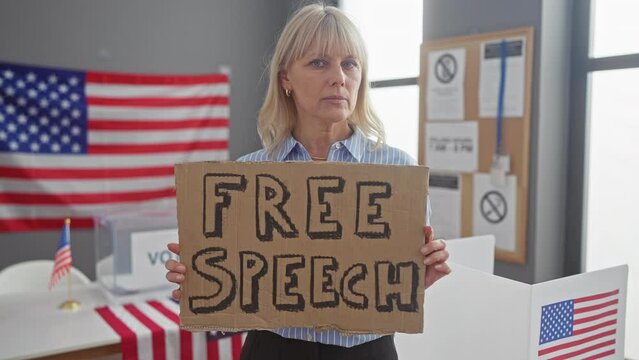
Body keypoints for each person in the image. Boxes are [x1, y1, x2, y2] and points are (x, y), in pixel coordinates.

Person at [165, 3, 451, 359]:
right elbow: (233, 313)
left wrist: (418, 281)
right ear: (286, 78)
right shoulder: (247, 175)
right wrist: (202, 285)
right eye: (319, 63)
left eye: (350, 63)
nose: (339, 77)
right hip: (273, 350)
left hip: (366, 351)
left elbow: (393, 287)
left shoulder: (398, 171)